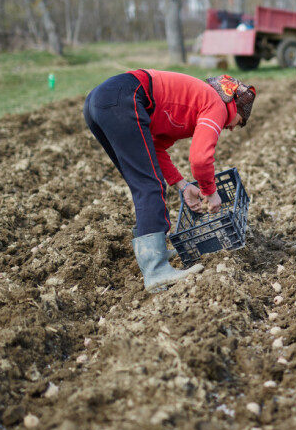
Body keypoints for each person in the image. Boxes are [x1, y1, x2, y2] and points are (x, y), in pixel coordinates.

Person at [83, 71, 256, 292]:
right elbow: (200, 159)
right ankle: (156, 270)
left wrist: (183, 185)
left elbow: (154, 147)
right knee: (149, 184)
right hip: (123, 97)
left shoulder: (192, 104)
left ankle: (154, 255)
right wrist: (210, 191)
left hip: (100, 101)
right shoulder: (217, 106)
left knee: (142, 181)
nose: (231, 128)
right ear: (234, 106)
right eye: (238, 121)